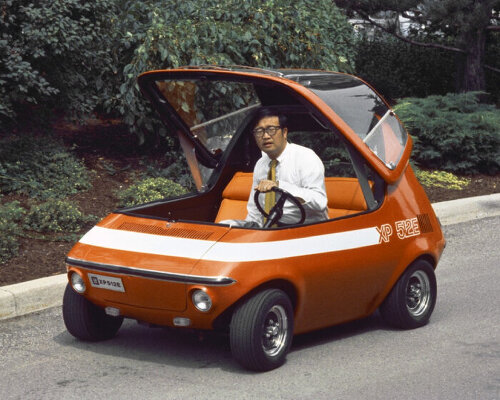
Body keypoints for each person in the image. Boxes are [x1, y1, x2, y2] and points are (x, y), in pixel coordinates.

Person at [223, 108, 329, 227]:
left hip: (307, 229)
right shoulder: (261, 164)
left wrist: (280, 186)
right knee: (224, 225)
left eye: (271, 130)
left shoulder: (305, 157)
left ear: (284, 132)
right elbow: (255, 211)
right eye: (259, 131)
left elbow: (319, 202)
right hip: (269, 229)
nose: (265, 136)